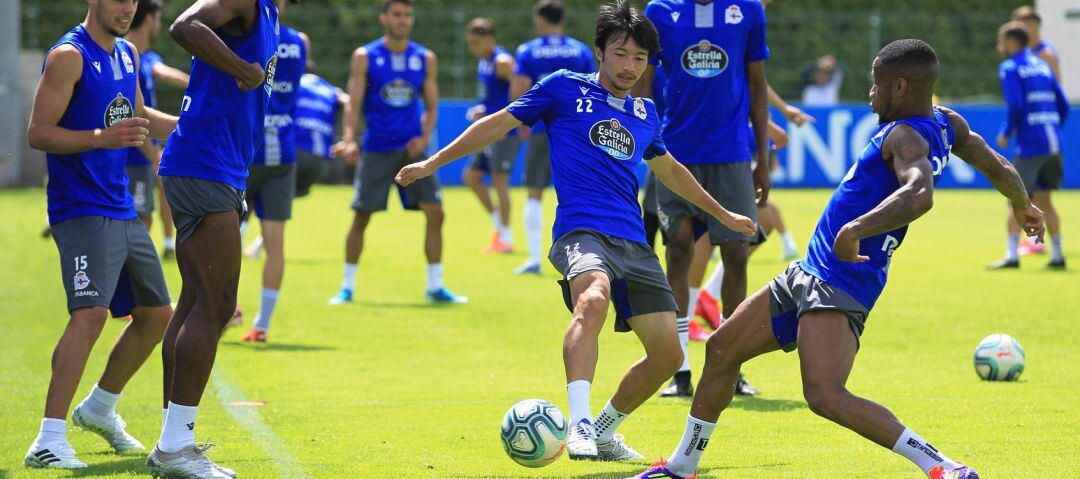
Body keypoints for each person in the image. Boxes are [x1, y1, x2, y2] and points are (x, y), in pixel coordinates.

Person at [628, 38, 1044, 479]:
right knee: (721, 348)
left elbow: (920, 195)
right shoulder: (947, 124)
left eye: (876, 84)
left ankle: (943, 466)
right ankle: (682, 467)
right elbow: (996, 163)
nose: (870, 93)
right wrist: (1021, 201)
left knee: (824, 394)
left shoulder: (905, 136)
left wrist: (853, 230)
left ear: (900, 87)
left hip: (843, 279)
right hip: (809, 270)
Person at [396, 0, 755, 462]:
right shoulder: (563, 88)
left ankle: (604, 430)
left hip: (633, 242)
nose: (630, 66)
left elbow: (672, 171)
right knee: (593, 297)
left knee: (667, 358)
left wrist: (725, 215)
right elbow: (497, 123)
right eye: (621, 54)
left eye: (640, 58)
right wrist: (433, 162)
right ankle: (581, 422)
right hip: (580, 232)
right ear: (599, 51)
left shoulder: (645, 114)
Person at [24, 0, 176, 468]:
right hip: (81, 209)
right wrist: (98, 138)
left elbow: (136, 115)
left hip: (121, 208)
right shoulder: (68, 55)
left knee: (156, 315)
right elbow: (38, 133)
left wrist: (191, 127)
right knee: (89, 314)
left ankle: (99, 409)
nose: (127, 7)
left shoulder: (128, 54)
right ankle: (47, 441)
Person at [150, 0, 284, 475]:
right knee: (217, 304)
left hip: (211, 166)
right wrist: (242, 68)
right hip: (205, 166)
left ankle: (171, 436)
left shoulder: (268, 14)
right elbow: (184, 25)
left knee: (195, 302)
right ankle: (174, 450)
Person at [637, 0, 772, 398]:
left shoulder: (747, 10)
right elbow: (644, 83)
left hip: (730, 154)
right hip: (673, 153)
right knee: (677, 250)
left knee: (735, 253)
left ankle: (731, 365)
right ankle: (678, 367)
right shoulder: (659, 11)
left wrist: (762, 158)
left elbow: (757, 83)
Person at [328, 0, 464, 305]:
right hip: (377, 147)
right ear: (384, 18)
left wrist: (424, 136)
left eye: (407, 15)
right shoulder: (366, 56)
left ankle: (435, 286)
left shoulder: (425, 58)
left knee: (436, 212)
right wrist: (350, 138)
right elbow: (354, 102)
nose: (403, 20)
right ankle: (347, 287)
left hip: (413, 149)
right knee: (362, 215)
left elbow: (431, 106)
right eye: (397, 15)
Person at [240, 0, 310, 343]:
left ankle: (227, 307)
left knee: (227, 235)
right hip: (283, 150)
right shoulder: (300, 41)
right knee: (274, 244)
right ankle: (262, 325)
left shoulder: (245, 30)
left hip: (245, 150)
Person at [511, 0, 596, 275]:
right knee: (581, 194)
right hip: (577, 132)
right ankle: (590, 256)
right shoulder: (580, 50)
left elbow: (520, 88)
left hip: (541, 130)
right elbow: (593, 86)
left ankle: (535, 259)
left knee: (534, 193)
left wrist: (522, 123)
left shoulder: (529, 50)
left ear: (540, 20)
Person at [987, 22, 1068, 271]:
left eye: (1001, 42)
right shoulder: (1043, 65)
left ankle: (1012, 256)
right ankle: (1057, 256)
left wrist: (1006, 132)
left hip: (1032, 145)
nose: (999, 47)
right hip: (1054, 143)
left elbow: (1016, 104)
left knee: (1015, 199)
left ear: (1011, 43)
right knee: (1045, 200)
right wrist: (1052, 126)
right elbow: (1062, 103)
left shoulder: (1010, 67)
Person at [123, 0, 190, 257]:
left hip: (145, 148)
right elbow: (129, 117)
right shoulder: (124, 54)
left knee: (148, 211)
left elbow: (166, 73)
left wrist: (197, 83)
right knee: (140, 220)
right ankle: (132, 285)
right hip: (133, 153)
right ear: (150, 19)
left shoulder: (144, 56)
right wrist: (154, 157)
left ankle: (168, 245)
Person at [462, 18, 520, 255]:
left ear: (488, 39)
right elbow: (494, 96)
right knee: (472, 177)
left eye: (476, 42)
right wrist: (483, 109)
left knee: (500, 183)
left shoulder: (502, 61)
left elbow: (522, 91)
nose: (472, 48)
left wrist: (506, 125)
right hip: (490, 131)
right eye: (470, 43)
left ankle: (505, 239)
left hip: (504, 132)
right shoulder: (484, 61)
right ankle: (499, 227)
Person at [293, 71, 347, 198]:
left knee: (261, 190)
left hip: (295, 153)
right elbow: (350, 102)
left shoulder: (294, 81)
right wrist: (347, 140)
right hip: (322, 161)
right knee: (280, 199)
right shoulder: (330, 89)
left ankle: (245, 218)